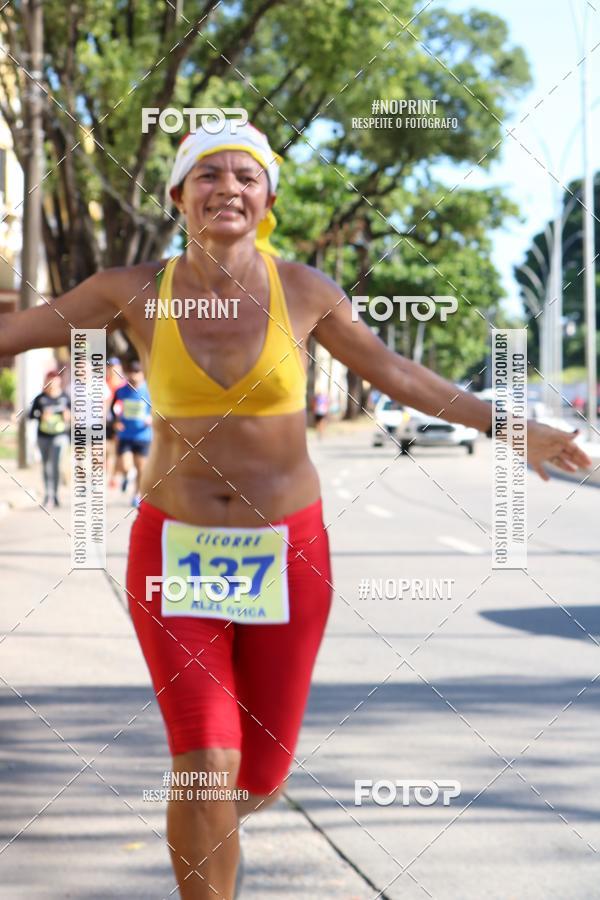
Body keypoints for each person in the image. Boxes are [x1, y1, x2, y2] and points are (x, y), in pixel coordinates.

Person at [0, 118, 592, 900]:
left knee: (259, 775)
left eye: (247, 176)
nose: (229, 189)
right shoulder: (132, 290)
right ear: (178, 194)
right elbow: (17, 331)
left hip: (290, 553)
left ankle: (206, 848)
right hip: (175, 553)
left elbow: (398, 374)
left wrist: (516, 427)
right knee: (208, 764)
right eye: (209, 175)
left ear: (268, 197)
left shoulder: (306, 291)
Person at [111, 359, 152, 506]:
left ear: (142, 374)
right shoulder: (121, 390)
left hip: (143, 435)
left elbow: (159, 410)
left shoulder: (149, 391)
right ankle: (128, 475)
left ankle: (137, 494)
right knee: (125, 465)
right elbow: (112, 408)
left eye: (137, 372)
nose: (134, 376)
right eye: (131, 372)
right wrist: (116, 421)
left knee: (141, 468)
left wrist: (152, 418)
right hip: (125, 435)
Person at [28, 370, 71, 508]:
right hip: (44, 436)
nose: (52, 383)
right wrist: (41, 415)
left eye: (55, 379)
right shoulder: (40, 398)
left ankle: (55, 494)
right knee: (46, 465)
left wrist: (67, 416)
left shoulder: (65, 397)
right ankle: (48, 494)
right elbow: (31, 415)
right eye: (49, 379)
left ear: (59, 381)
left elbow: (73, 415)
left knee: (56, 465)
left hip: (60, 436)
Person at [105, 356, 126, 488]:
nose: (113, 370)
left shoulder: (124, 384)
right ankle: (109, 476)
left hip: (120, 420)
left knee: (117, 450)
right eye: (110, 367)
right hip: (107, 419)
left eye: (115, 367)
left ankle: (115, 476)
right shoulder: (103, 383)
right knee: (106, 449)